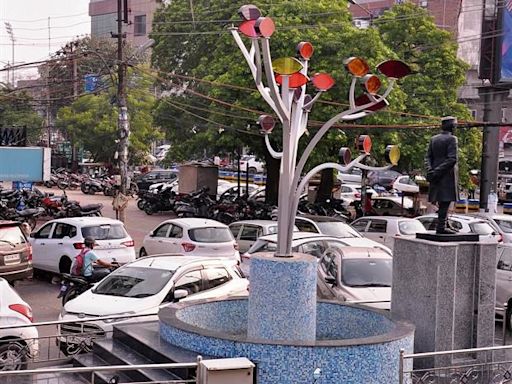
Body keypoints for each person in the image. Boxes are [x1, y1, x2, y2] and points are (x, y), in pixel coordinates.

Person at [425, 116, 459, 234]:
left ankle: (444, 223)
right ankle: (441, 227)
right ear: (452, 127)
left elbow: (428, 157)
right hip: (446, 175)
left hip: (435, 176)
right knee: (445, 201)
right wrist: (438, 171)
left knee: (442, 202)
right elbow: (452, 159)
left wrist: (431, 170)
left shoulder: (434, 139)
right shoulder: (452, 139)